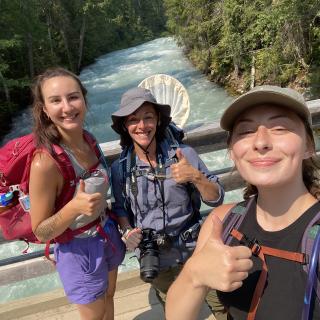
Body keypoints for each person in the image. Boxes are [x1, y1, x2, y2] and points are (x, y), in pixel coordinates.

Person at [165, 85, 320, 320]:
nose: (260, 142)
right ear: (232, 152)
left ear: (309, 145)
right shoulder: (223, 223)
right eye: (245, 131)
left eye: (279, 128)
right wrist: (193, 276)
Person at [110, 87, 225, 313]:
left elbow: (217, 198)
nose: (142, 126)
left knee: (220, 305)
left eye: (148, 117)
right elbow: (121, 208)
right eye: (133, 120)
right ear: (125, 125)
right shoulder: (120, 169)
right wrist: (127, 232)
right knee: (175, 308)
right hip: (154, 256)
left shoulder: (184, 155)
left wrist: (195, 176)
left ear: (158, 120)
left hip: (195, 248)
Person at [29, 67, 125, 320]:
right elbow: (40, 231)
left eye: (73, 97)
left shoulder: (89, 139)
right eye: (55, 100)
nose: (67, 107)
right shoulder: (45, 163)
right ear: (44, 110)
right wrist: (74, 208)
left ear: (83, 99)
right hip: (78, 249)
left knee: (109, 297)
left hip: (106, 233)